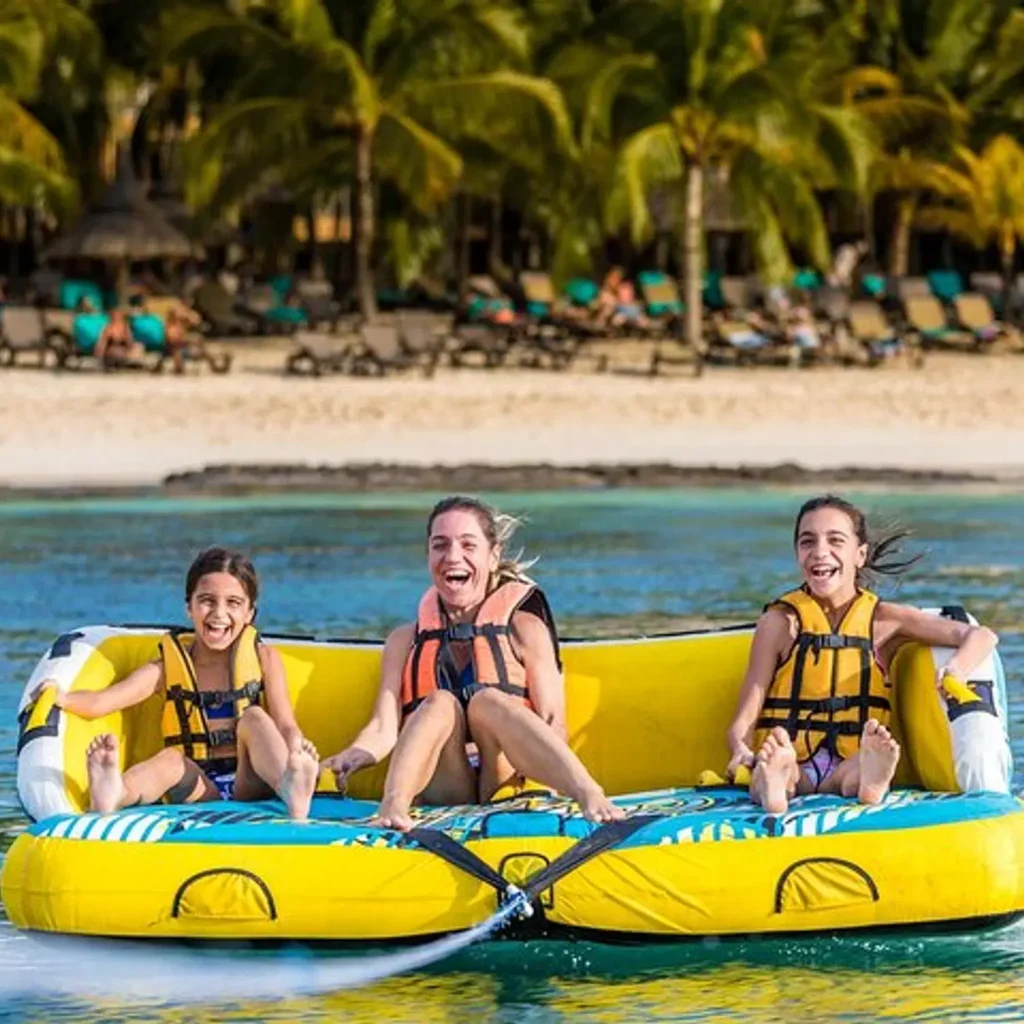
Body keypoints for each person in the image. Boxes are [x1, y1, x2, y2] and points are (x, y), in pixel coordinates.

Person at [321, 496, 622, 831]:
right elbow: (383, 728)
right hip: (444, 788)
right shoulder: (403, 641)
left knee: (487, 701)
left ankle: (588, 791)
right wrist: (351, 757)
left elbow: (553, 721)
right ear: (428, 556)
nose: (452, 557)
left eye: (468, 545)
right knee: (439, 702)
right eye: (440, 545)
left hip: (508, 781)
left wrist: (549, 787)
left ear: (493, 557)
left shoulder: (525, 629)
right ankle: (393, 806)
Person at [726, 495, 998, 814]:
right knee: (770, 768)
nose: (819, 552)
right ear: (797, 553)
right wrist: (741, 750)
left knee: (858, 767)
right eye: (807, 541)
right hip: (793, 763)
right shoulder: (779, 623)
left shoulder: (886, 620)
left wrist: (956, 669)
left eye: (835, 540)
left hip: (852, 760)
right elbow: (744, 719)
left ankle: (871, 781)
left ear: (860, 554)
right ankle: (774, 785)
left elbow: (981, 635)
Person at [37, 547, 319, 820]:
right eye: (207, 600)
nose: (218, 613)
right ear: (189, 608)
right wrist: (60, 696)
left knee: (254, 717)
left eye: (233, 603)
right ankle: (115, 793)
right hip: (200, 787)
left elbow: (285, 724)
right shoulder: (167, 669)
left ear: (249, 614)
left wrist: (296, 751)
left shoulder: (264, 658)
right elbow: (105, 700)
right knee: (170, 760)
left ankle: (291, 786)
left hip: (252, 783)